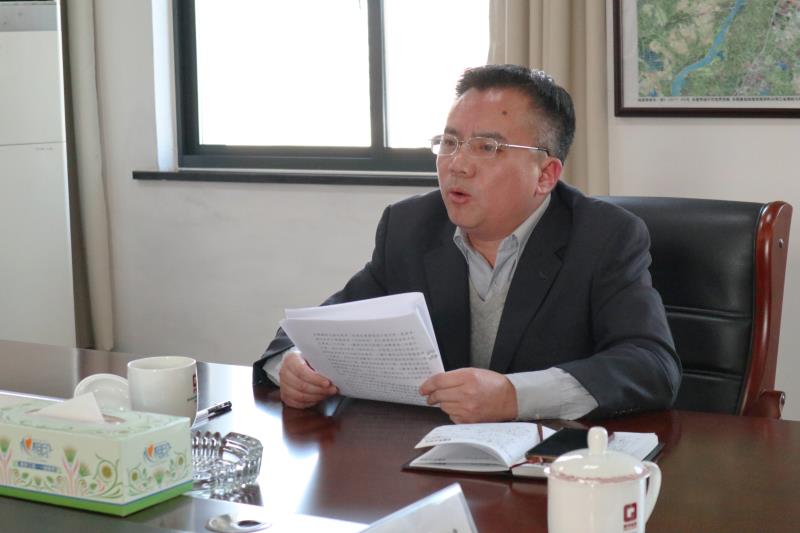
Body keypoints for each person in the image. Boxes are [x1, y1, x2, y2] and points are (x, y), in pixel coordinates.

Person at [253, 64, 681, 423]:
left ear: (546, 175)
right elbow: (324, 325)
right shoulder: (410, 227)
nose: (457, 165)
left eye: (487, 147)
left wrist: (514, 396)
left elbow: (651, 366)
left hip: (549, 468)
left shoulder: (604, 236)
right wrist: (292, 363)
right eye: (450, 143)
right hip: (427, 462)